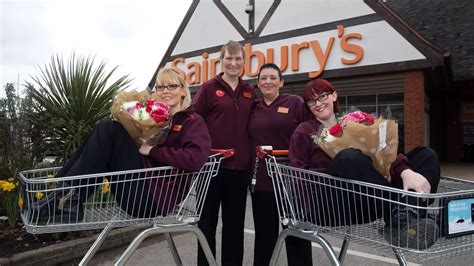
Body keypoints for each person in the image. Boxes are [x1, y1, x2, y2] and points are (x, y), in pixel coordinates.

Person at [33, 67, 211, 219]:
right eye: (161, 87)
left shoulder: (192, 121)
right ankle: (62, 198)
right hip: (139, 184)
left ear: (183, 91)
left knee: (109, 130)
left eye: (172, 86)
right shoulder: (155, 117)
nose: (166, 91)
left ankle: (63, 199)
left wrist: (152, 151)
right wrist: (129, 114)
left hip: (153, 197)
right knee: (103, 129)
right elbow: (130, 127)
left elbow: (195, 159)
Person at [289, 78, 441, 248]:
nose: (318, 103)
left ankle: (409, 214)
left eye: (322, 96)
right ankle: (397, 210)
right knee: (349, 158)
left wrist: (406, 171)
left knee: (426, 155)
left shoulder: (352, 122)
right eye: (311, 100)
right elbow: (298, 175)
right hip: (328, 202)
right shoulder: (304, 131)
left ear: (334, 96)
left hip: (366, 199)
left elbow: (383, 152)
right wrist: (337, 172)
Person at [193, 40, 257, 266]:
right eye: (229, 58)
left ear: (243, 62)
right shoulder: (208, 88)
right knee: (206, 224)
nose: (233, 63)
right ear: (221, 61)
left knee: (234, 227)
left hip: (239, 170)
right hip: (210, 169)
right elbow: (194, 121)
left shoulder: (250, 91)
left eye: (238, 58)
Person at [248, 63, 312, 265]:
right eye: (263, 78)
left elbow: (311, 132)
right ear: (258, 84)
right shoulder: (253, 108)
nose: (268, 81)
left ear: (281, 82)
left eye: (273, 77)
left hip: (291, 181)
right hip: (263, 182)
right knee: (264, 236)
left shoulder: (295, 103)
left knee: (296, 234)